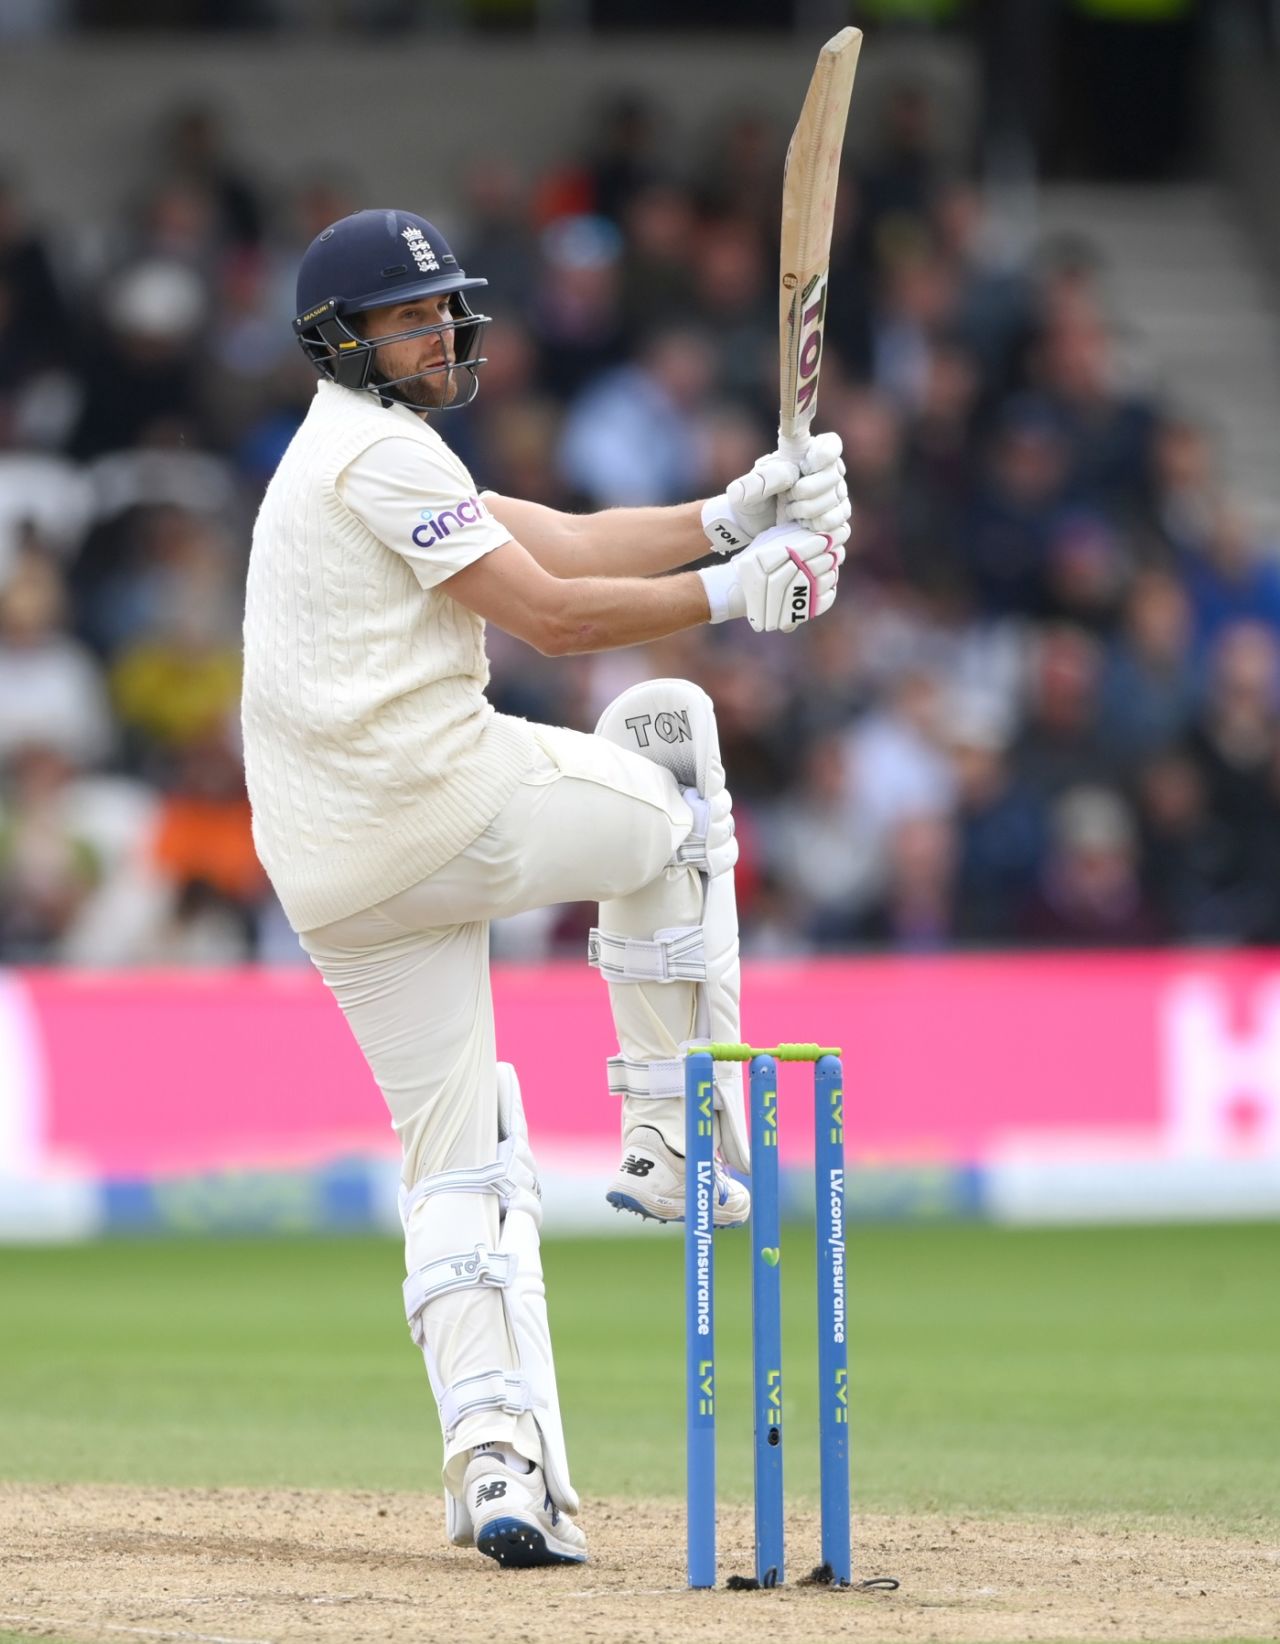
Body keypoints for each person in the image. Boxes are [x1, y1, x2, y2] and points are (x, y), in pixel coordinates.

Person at [240, 209, 850, 1571]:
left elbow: (554, 542)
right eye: (410, 319)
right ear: (342, 339)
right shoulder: (378, 448)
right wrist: (747, 592)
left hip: (333, 879)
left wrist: (724, 514)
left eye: (446, 310)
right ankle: (669, 1126)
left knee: (456, 1156)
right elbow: (557, 619)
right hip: (440, 806)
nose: (442, 334)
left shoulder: (352, 455)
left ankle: (495, 1462)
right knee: (672, 775)